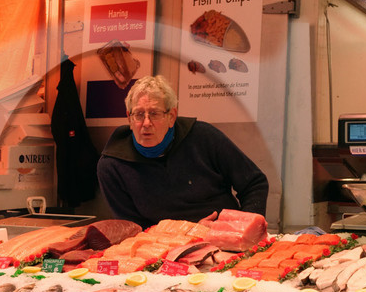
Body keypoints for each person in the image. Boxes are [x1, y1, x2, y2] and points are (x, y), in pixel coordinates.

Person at [96, 75, 268, 226]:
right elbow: (134, 229)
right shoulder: (112, 165)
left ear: (171, 117)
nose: (146, 123)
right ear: (129, 118)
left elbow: (254, 183)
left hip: (224, 239)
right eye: (139, 114)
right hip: (164, 250)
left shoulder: (204, 137)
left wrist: (243, 229)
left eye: (154, 114)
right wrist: (191, 233)